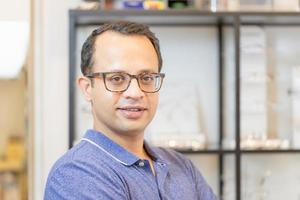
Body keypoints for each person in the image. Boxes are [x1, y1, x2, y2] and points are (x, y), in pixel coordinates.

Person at [44, 20, 217, 200]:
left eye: (147, 77)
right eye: (117, 78)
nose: (135, 93)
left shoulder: (181, 166)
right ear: (87, 88)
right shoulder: (75, 174)